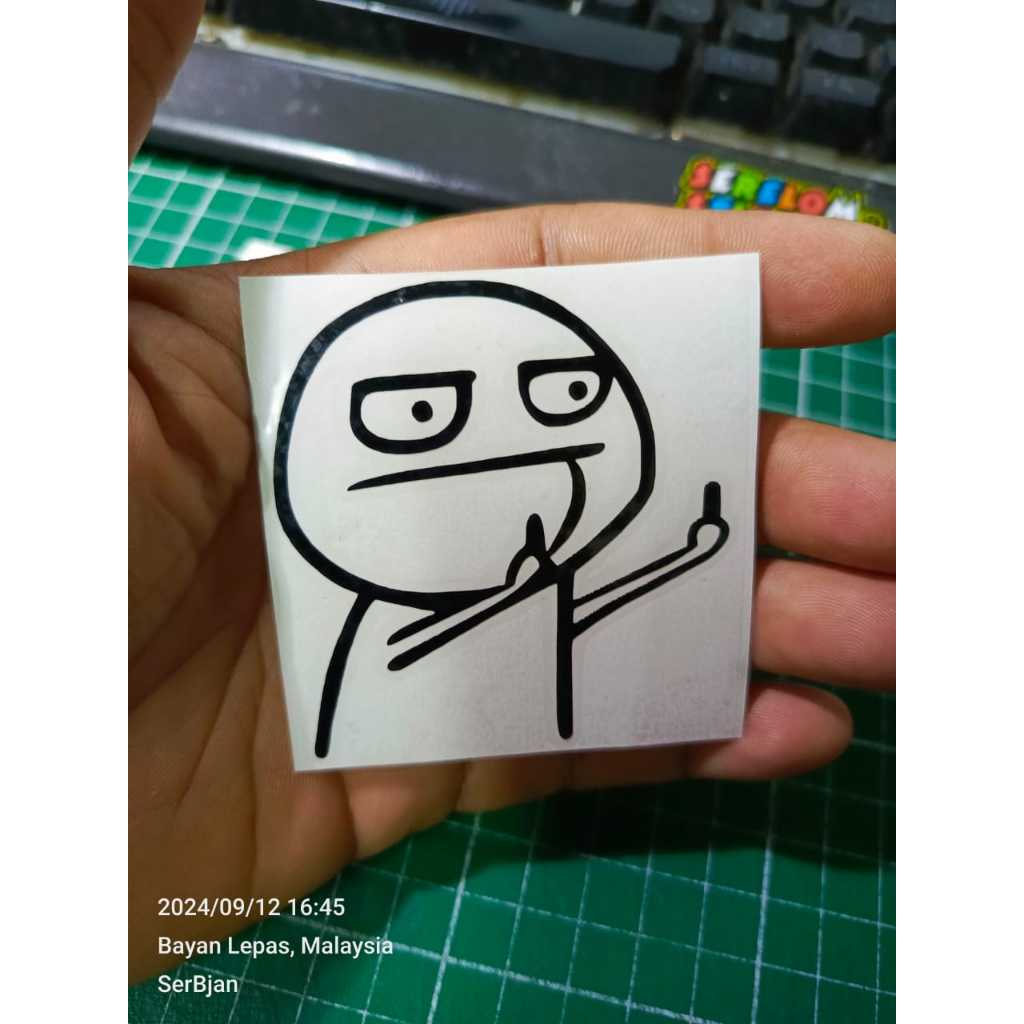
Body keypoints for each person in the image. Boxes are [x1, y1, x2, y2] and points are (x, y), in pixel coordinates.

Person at [128, 0, 895, 983]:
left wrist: (687, 553)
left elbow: (595, 606)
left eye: (568, 397)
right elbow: (415, 650)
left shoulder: (540, 577)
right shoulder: (365, 630)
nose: (518, 453)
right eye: (415, 415)